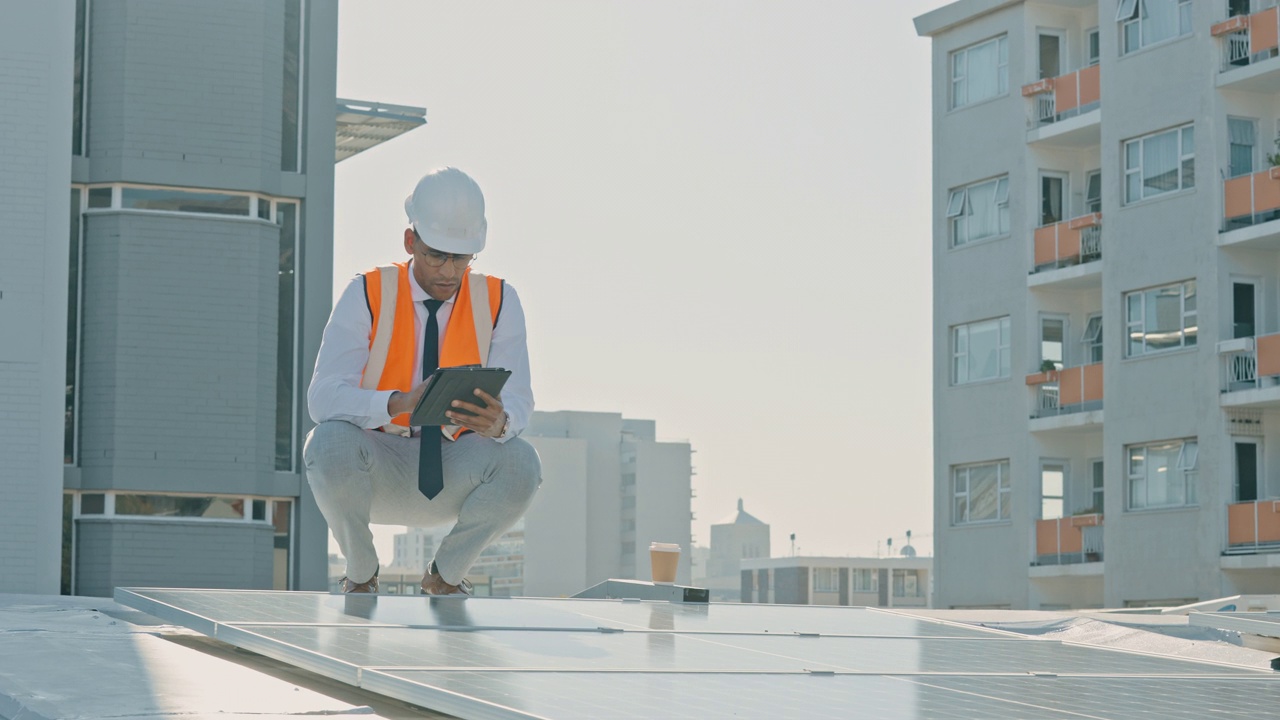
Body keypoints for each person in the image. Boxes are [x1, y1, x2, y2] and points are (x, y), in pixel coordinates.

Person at [304, 167, 540, 595]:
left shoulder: (501, 300)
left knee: (522, 461)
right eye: (436, 255)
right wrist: (397, 403)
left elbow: (521, 401)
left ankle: (446, 576)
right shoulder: (367, 293)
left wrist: (499, 424)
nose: (449, 271)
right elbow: (321, 399)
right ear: (410, 242)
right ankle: (360, 575)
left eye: (462, 258)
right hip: (377, 464)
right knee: (326, 442)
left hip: (456, 467)